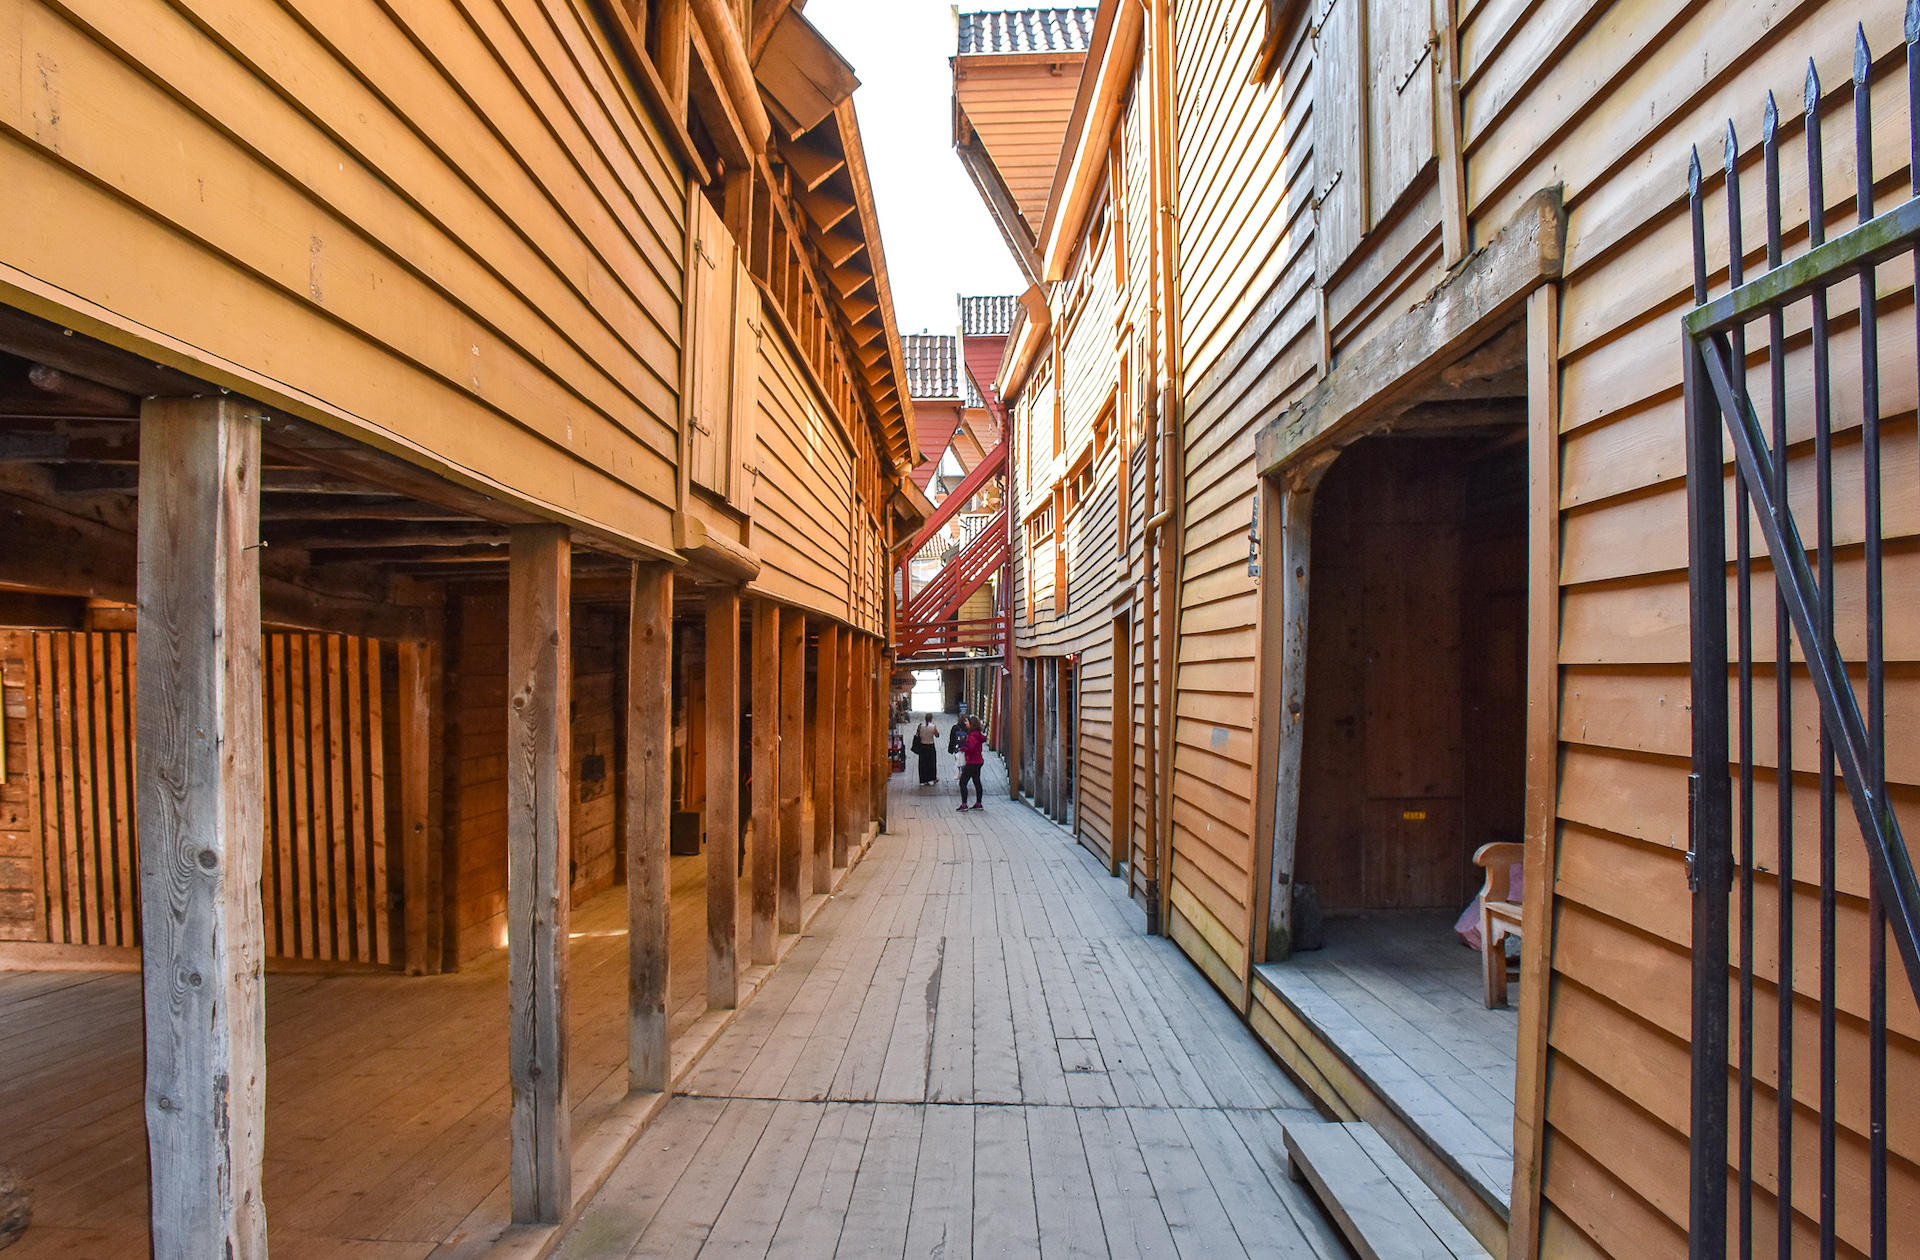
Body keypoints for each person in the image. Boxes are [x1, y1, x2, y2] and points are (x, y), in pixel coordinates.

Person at [957, 715, 987, 810]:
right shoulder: (978, 734)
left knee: (963, 782)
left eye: (967, 721)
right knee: (977, 782)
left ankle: (964, 805)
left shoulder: (972, 735)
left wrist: (961, 749)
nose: (965, 723)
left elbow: (970, 748)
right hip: (978, 761)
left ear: (971, 723)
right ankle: (978, 803)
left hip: (972, 762)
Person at [912, 713, 940, 786]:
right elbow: (937, 735)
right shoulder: (933, 726)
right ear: (931, 719)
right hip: (930, 746)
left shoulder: (920, 726)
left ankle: (923, 780)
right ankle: (932, 778)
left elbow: (918, 734)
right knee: (931, 763)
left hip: (922, 746)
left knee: (923, 763)